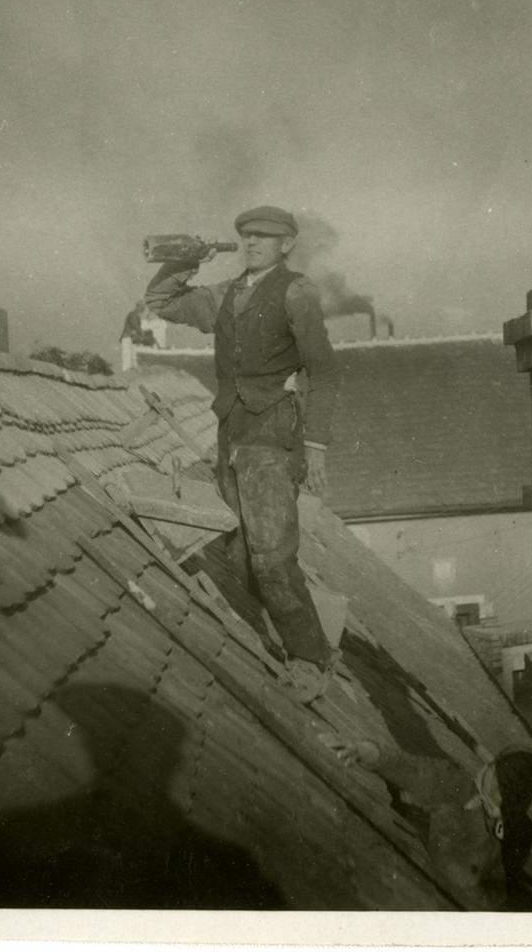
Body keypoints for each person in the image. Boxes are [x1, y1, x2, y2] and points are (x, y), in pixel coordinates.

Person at [145, 205, 340, 701]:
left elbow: (323, 372)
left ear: (287, 244)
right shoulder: (226, 294)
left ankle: (311, 661)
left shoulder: (297, 292)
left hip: (272, 434)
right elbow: (162, 301)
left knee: (271, 556)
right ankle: (305, 632)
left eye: (263, 237)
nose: (252, 243)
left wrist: (316, 445)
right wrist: (186, 259)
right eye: (246, 235)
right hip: (231, 432)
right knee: (240, 553)